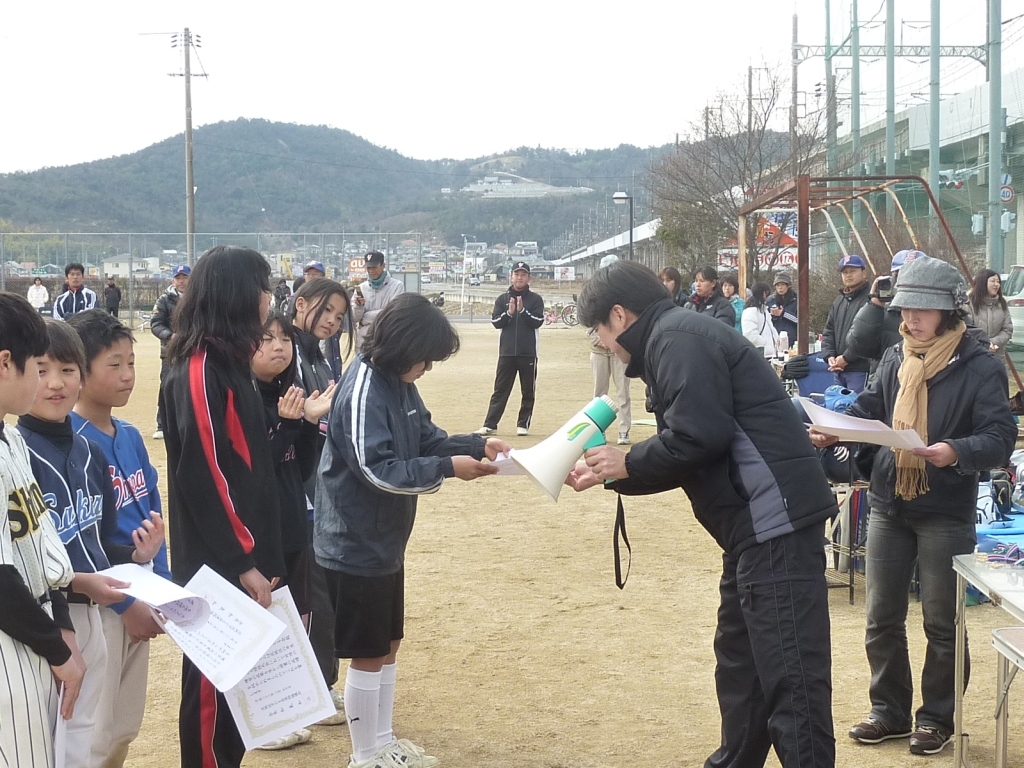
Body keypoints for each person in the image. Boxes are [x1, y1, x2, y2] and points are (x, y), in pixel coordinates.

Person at [569, 260, 837, 768]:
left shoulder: (678, 339)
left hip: (773, 524)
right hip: (752, 531)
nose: (601, 344)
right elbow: (693, 448)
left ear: (619, 316)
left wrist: (628, 462)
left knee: (791, 681)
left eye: (598, 331)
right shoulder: (674, 336)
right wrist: (613, 472)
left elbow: (698, 436)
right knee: (742, 672)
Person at [810, 255, 1016, 756]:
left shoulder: (981, 366)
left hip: (945, 508)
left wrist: (955, 451)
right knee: (881, 615)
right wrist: (836, 428)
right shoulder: (894, 355)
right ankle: (889, 711)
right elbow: (870, 409)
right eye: (905, 309)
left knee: (942, 622)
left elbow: (1000, 437)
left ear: (950, 310)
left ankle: (936, 718)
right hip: (888, 501)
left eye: (922, 309)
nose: (911, 319)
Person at [315, 292, 510, 768]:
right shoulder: (364, 387)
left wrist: (476, 446)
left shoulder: (398, 382)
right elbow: (375, 469)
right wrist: (446, 468)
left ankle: (384, 742)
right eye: (425, 359)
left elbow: (425, 436)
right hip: (353, 543)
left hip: (385, 541)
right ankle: (366, 755)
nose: (428, 368)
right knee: (367, 651)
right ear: (403, 348)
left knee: (388, 644)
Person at [162, 246, 285, 768]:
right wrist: (242, 560)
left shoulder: (231, 362)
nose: (269, 297)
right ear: (237, 294)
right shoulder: (199, 367)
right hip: (219, 564)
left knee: (238, 690)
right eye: (262, 287)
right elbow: (204, 472)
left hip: (245, 558)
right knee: (212, 691)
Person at [16, 319, 158, 768]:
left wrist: (135, 555)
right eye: (42, 370)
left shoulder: (89, 451)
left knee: (102, 732)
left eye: (67, 370)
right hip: (51, 615)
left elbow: (99, 540)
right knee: (63, 738)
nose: (56, 383)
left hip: (97, 609)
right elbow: (20, 560)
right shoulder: (18, 454)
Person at [66, 309, 168, 768]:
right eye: (114, 365)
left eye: (131, 362)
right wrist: (128, 606)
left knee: (125, 725)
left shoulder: (128, 435)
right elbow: (84, 540)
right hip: (104, 602)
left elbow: (153, 514)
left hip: (143, 594)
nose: (128, 375)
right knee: (95, 728)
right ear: (81, 372)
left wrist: (162, 589)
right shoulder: (72, 442)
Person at [0, 292, 81, 768]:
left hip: (34, 632)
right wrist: (57, 649)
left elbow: (42, 547)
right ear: (5, 363)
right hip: (10, 647)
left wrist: (61, 626)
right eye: (36, 365)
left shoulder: (11, 437)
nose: (42, 379)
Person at [250, 310, 332, 750]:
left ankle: (286, 710)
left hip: (293, 521)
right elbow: (254, 470)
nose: (279, 346)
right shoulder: (242, 399)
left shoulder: (289, 394)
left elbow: (300, 469)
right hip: (261, 532)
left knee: (294, 619)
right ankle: (262, 721)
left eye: (284, 338)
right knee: (262, 621)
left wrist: (307, 424)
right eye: (267, 338)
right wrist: (288, 424)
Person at [288, 277, 351, 724]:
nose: (332, 321)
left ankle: (320, 684)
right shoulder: (287, 353)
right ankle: (310, 690)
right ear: (300, 303)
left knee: (322, 590)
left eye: (340, 316)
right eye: (326, 310)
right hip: (298, 491)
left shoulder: (321, 357)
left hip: (319, 489)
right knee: (309, 595)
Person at [475, 261, 544, 437]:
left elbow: (538, 321)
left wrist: (522, 311)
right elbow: (496, 322)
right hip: (506, 353)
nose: (520, 278)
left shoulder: (536, 299)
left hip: (528, 353)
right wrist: (509, 313)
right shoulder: (502, 299)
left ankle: (523, 424)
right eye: (516, 274)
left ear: (528, 278)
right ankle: (490, 424)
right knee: (500, 390)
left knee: (528, 391)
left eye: (523, 275)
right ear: (511, 276)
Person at [845, 249, 924, 366]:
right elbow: (859, 346)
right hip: (888, 375)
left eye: (916, 275)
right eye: (902, 275)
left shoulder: (939, 310)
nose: (909, 281)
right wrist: (874, 304)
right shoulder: (882, 311)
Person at [821, 254, 872, 392]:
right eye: (845, 272)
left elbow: (868, 336)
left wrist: (846, 358)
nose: (848, 275)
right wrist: (829, 356)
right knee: (838, 405)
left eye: (853, 271)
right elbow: (829, 331)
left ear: (864, 273)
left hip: (860, 369)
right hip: (837, 370)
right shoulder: (839, 301)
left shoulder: (871, 299)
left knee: (857, 405)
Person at [150, 264, 190, 440]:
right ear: (173, 280)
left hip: (193, 351)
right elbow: (156, 324)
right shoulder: (164, 300)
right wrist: (169, 336)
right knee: (167, 387)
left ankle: (187, 423)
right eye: (178, 278)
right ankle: (162, 424)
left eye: (185, 278)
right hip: (170, 353)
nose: (181, 281)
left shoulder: (198, 298)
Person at [352, 251, 406, 352]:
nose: (371, 271)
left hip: (386, 338)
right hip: (364, 340)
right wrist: (359, 306)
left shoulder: (397, 286)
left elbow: (392, 314)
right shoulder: (361, 288)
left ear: (383, 265)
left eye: (374, 267)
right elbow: (354, 318)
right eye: (368, 268)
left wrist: (366, 316)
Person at [589, 327, 632, 444]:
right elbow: (588, 324)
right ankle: (599, 429)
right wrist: (597, 340)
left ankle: (624, 431)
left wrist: (617, 342)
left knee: (623, 392)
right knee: (599, 395)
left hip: (619, 351)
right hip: (598, 352)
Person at [968, 268, 1013, 353]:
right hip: (975, 353)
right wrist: (984, 344)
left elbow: (1007, 329)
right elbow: (967, 330)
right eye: (993, 281)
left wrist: (994, 342)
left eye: (998, 282)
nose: (996, 284)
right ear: (983, 283)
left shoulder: (1002, 303)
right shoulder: (969, 304)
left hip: (996, 354)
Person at [741, 282, 780, 358]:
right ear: (764, 293)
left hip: (771, 355)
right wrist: (765, 345)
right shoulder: (751, 311)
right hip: (761, 355)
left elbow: (771, 329)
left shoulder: (764, 310)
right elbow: (750, 335)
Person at [767, 272, 798, 342]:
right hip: (774, 339)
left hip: (791, 339)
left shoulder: (796, 300)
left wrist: (783, 313)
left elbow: (799, 321)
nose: (780, 287)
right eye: (777, 285)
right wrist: (772, 315)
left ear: (788, 285)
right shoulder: (770, 300)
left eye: (782, 284)